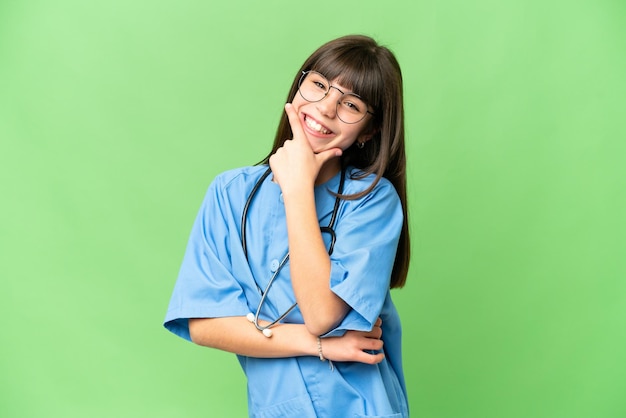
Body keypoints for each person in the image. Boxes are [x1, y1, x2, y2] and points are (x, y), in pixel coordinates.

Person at [164, 34, 410, 418]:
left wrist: (297, 190)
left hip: (361, 407)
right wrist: (321, 346)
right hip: (277, 407)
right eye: (319, 85)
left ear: (368, 131)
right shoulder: (231, 194)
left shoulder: (372, 200)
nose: (327, 107)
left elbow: (321, 314)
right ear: (298, 87)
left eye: (351, 104)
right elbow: (204, 324)